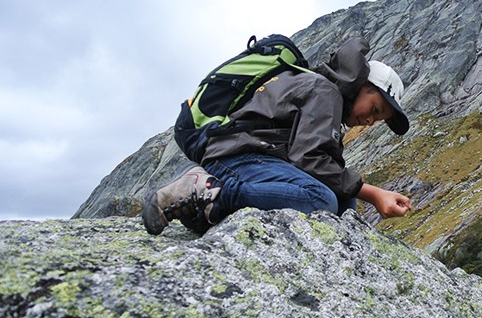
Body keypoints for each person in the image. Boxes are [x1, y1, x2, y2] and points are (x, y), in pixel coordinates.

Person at [142, 37, 411, 236]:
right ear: (362, 84)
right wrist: (374, 194)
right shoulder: (325, 92)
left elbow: (322, 168)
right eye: (375, 109)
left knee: (342, 201)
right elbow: (309, 159)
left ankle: (203, 213)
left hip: (255, 159)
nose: (368, 120)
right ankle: (208, 191)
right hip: (236, 155)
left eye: (377, 120)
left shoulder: (325, 95)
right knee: (320, 200)